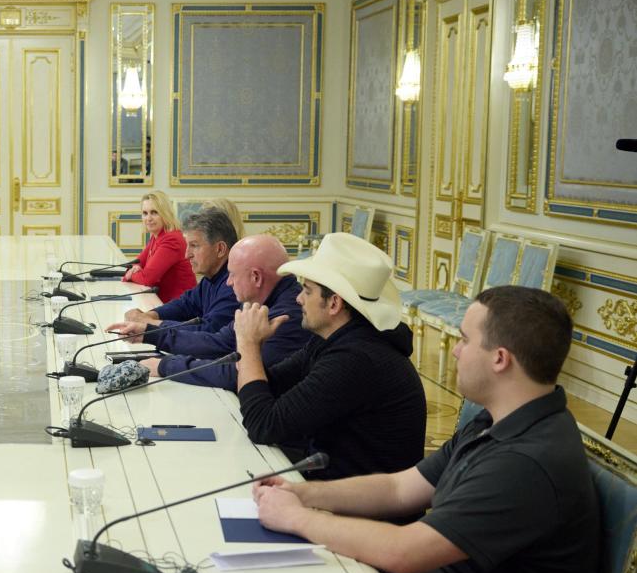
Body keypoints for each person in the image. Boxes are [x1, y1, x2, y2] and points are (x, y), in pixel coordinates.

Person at [254, 286, 599, 573]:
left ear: (500, 358)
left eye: (466, 339)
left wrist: (301, 520)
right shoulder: (497, 420)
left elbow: (405, 552)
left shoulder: (527, 460)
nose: (455, 351)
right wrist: (303, 494)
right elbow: (401, 488)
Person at [230, 232, 425, 479]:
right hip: (335, 483)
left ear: (334, 303)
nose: (298, 298)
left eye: (307, 291)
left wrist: (247, 344)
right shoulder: (332, 339)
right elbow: (272, 385)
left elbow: (264, 425)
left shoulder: (357, 359)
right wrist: (252, 351)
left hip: (362, 510)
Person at [138, 234, 311, 389]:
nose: (228, 282)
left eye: (232, 275)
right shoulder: (256, 300)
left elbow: (238, 375)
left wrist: (166, 366)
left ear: (256, 277)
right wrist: (150, 334)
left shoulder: (287, 316)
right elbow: (220, 342)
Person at [106, 205, 240, 345]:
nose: (187, 254)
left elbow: (208, 332)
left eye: (194, 245)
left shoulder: (234, 285)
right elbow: (185, 304)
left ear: (220, 249)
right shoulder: (212, 277)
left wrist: (150, 325)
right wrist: (149, 315)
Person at [120, 190, 196, 303]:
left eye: (154, 212)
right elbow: (136, 262)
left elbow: (147, 279)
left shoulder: (172, 240)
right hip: (164, 303)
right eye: (145, 213)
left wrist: (131, 275)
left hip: (182, 307)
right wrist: (134, 270)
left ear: (165, 214)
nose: (148, 218)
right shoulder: (157, 236)